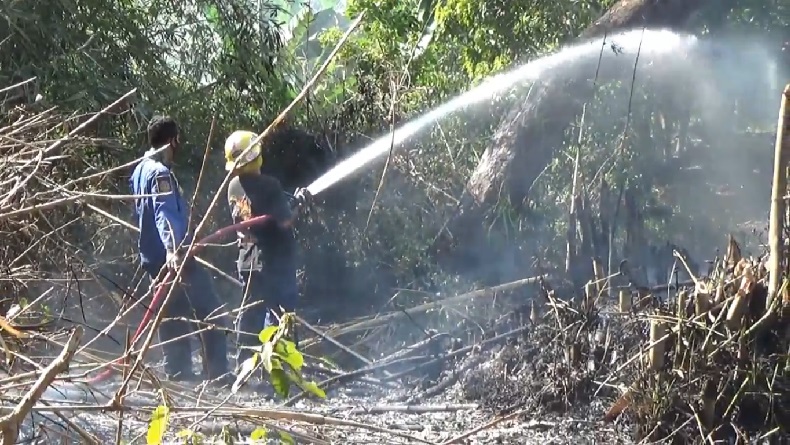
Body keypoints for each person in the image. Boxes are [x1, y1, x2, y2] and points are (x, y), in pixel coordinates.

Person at [130, 115, 233, 385]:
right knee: (210, 310)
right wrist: (174, 249)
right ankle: (218, 372)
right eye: (178, 141)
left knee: (171, 314)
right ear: (172, 141)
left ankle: (178, 373)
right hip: (174, 257)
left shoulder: (140, 170)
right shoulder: (160, 174)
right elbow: (164, 215)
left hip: (152, 257)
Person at [223, 129, 310, 368]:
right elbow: (284, 221)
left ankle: (245, 364)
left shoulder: (233, 186)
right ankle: (283, 364)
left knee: (250, 308)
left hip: (248, 253)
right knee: (282, 311)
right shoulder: (270, 185)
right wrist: (300, 204)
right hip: (275, 257)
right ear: (258, 157)